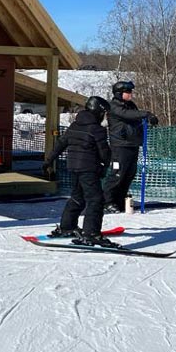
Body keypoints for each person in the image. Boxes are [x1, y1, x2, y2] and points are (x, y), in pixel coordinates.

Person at [42, 97, 115, 247]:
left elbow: (61, 143)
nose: (104, 116)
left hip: (73, 167)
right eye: (104, 113)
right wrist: (106, 166)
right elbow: (104, 152)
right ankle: (91, 234)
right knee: (96, 200)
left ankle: (67, 226)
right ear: (98, 112)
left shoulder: (75, 125)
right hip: (88, 168)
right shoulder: (96, 129)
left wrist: (49, 160)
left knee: (77, 196)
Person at [103, 81, 159, 213]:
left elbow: (135, 116)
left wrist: (147, 119)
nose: (130, 94)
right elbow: (127, 115)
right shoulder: (114, 106)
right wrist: (146, 113)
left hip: (132, 144)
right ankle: (107, 202)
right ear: (119, 93)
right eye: (127, 92)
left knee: (129, 175)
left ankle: (119, 200)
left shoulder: (130, 105)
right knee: (117, 174)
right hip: (120, 146)